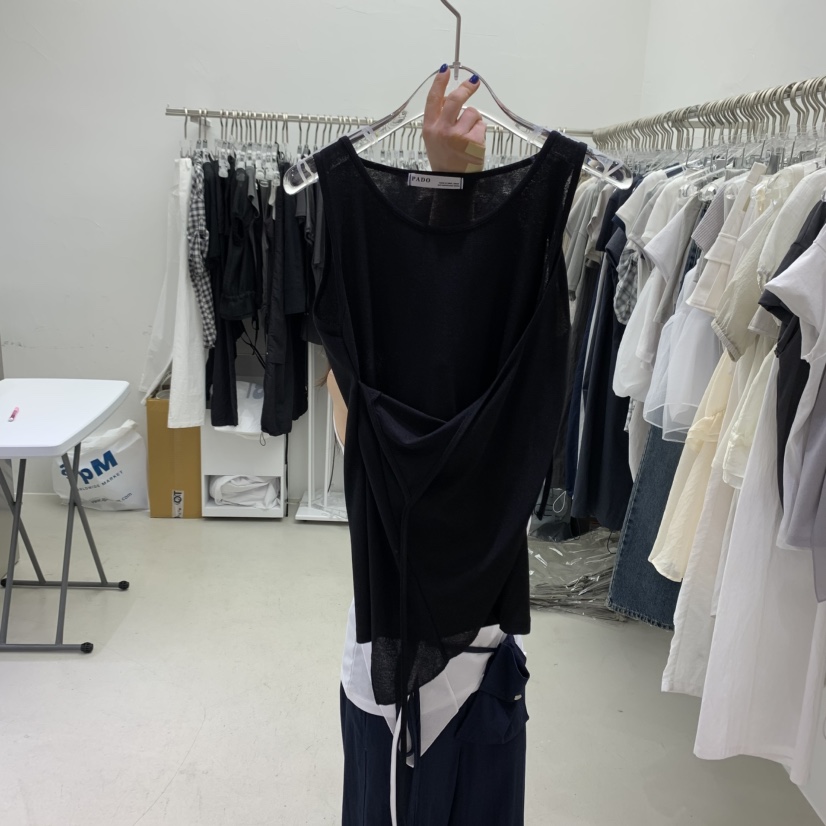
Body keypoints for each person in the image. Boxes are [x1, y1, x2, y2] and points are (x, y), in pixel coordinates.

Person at [327, 66, 530, 826]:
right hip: (407, 670)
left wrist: (455, 191)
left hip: (470, 665)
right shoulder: (370, 360)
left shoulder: (508, 331)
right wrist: (452, 192)